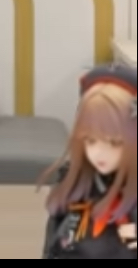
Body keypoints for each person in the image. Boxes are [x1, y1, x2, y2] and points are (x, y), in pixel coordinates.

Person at [39, 64, 136, 259]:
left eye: (114, 143)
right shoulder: (72, 181)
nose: (98, 153)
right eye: (90, 140)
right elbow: (52, 246)